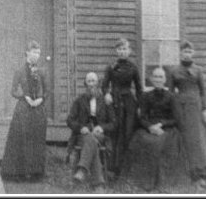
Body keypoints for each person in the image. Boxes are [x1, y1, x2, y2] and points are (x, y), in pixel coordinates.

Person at [123, 67, 188, 191]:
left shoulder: (171, 96)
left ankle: (160, 182)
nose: (158, 79)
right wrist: (150, 126)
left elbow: (176, 119)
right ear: (152, 79)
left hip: (167, 129)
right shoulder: (146, 96)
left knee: (157, 143)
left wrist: (161, 124)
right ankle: (140, 180)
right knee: (140, 140)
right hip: (149, 127)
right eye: (155, 77)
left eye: (160, 77)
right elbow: (141, 118)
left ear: (165, 80)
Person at [0, 40, 50, 181]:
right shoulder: (19, 71)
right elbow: (13, 90)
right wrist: (25, 97)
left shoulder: (43, 71)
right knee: (21, 139)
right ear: (27, 52)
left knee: (37, 139)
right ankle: (18, 172)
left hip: (38, 110)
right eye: (34, 52)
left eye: (39, 53)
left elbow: (47, 91)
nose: (37, 55)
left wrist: (41, 99)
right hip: (24, 109)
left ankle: (35, 173)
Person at [167, 40, 206, 184]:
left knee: (198, 138)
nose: (187, 54)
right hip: (181, 107)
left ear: (193, 53)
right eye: (184, 52)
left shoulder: (198, 70)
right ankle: (189, 171)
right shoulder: (174, 71)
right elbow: (170, 93)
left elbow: (203, 92)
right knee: (187, 137)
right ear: (180, 53)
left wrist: (205, 109)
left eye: (189, 52)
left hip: (196, 106)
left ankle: (202, 170)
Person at [66, 72, 115, 192]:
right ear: (85, 84)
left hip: (100, 135)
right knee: (90, 140)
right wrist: (80, 128)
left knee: (92, 139)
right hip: (83, 135)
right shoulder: (79, 100)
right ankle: (98, 184)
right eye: (89, 81)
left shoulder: (105, 100)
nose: (91, 84)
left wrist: (102, 128)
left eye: (94, 81)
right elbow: (70, 120)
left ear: (98, 83)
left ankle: (82, 169)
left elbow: (114, 123)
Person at [101, 38, 142, 176]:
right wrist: (107, 94)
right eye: (119, 49)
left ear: (129, 51)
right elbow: (104, 85)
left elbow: (139, 88)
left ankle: (127, 169)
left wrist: (140, 106)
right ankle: (113, 168)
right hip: (114, 102)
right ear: (116, 51)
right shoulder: (111, 67)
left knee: (128, 132)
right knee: (115, 133)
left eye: (124, 49)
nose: (122, 52)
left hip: (129, 103)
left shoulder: (133, 67)